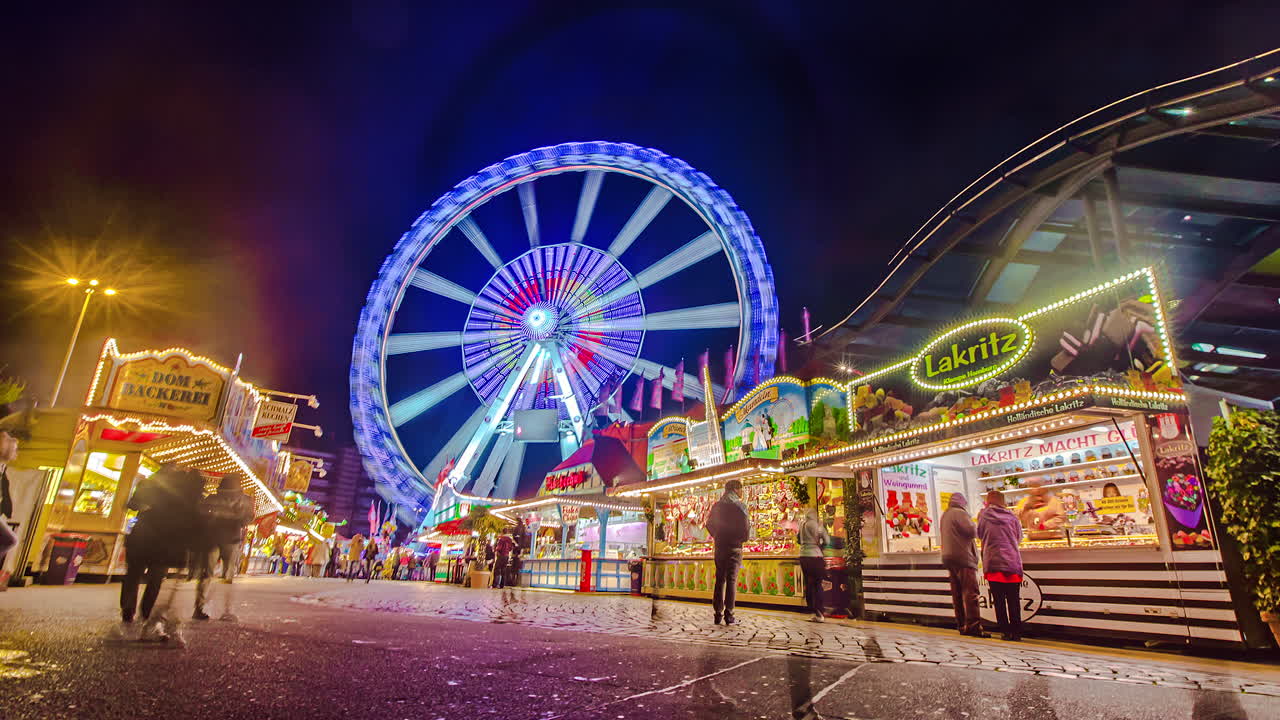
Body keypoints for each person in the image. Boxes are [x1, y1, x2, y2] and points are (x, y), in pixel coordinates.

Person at [117, 465, 204, 645]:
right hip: (165, 541)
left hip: (142, 535)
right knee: (155, 578)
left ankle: (128, 611)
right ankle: (146, 614)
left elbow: (131, 504)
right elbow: (194, 522)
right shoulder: (185, 494)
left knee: (133, 574)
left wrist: (147, 507)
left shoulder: (149, 485)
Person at [193, 473, 253, 621]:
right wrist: (236, 516)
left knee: (207, 574)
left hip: (213, 538)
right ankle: (225, 610)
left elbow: (200, 514)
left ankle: (200, 607)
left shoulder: (212, 498)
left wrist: (216, 515)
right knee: (227, 576)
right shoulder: (245, 500)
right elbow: (248, 518)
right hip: (230, 539)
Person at [977, 489, 1026, 641]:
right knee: (1014, 600)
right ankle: (1016, 633)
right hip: (1012, 563)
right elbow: (1019, 537)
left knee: (998, 602)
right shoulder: (1012, 517)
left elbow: (979, 534)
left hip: (993, 563)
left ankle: (1005, 632)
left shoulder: (983, 515)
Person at [940, 493, 987, 637]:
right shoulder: (960, 513)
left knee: (957, 594)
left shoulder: (945, 514)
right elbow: (973, 531)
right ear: (962, 502)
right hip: (963, 557)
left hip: (949, 557)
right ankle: (973, 627)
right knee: (970, 592)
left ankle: (961, 625)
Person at [705, 478, 749, 625]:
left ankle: (717, 613)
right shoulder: (740, 506)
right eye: (741, 489)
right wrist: (742, 539)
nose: (742, 492)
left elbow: (709, 524)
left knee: (720, 580)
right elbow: (746, 527)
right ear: (736, 489)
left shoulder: (717, 506)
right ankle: (729, 614)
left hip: (720, 546)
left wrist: (717, 535)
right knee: (731, 580)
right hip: (735, 547)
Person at [796, 507, 828, 622]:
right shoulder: (818, 526)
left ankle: (813, 610)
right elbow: (827, 541)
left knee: (809, 583)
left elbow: (798, 540)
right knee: (818, 584)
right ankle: (820, 612)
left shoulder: (802, 525)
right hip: (816, 556)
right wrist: (820, 546)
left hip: (804, 556)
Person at [0, 430, 20, 589]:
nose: (16, 454)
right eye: (14, 450)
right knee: (9, 539)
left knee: (10, 539)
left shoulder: (2, 467)